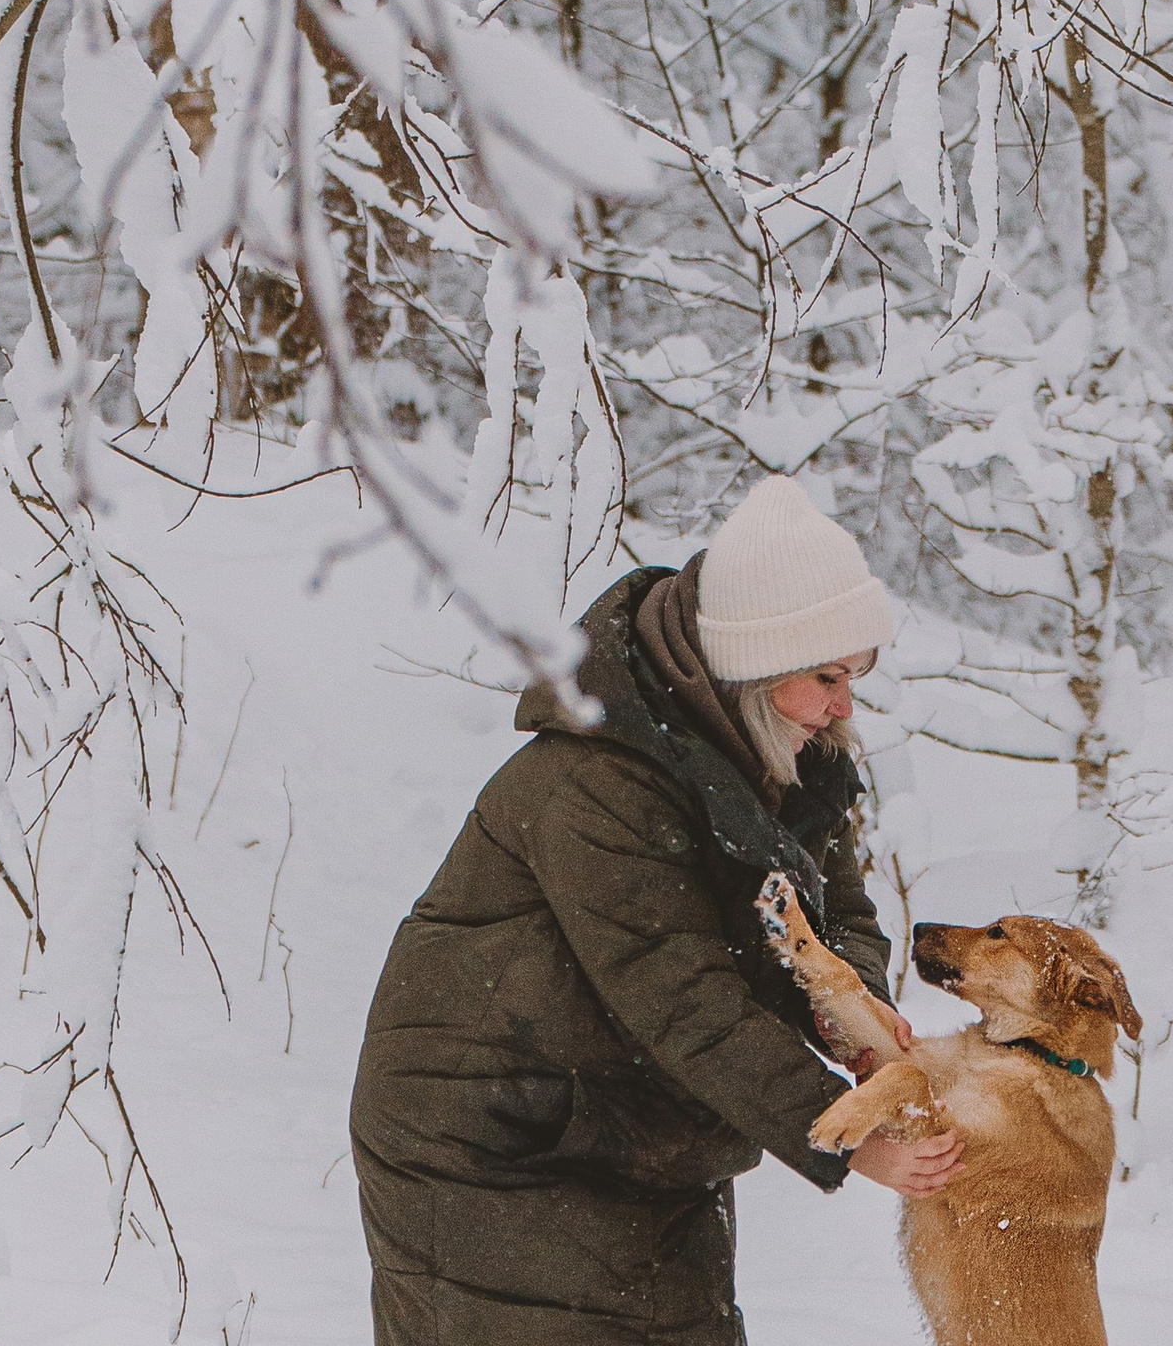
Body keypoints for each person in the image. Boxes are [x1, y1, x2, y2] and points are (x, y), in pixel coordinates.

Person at [350, 475, 963, 1346]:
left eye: (855, 677)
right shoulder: (595, 782)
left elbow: (836, 916)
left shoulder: (788, 762)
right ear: (752, 664)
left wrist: (851, 1009)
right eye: (825, 676)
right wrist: (842, 1135)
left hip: (634, 1129)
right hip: (494, 1143)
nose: (843, 707)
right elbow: (679, 993)